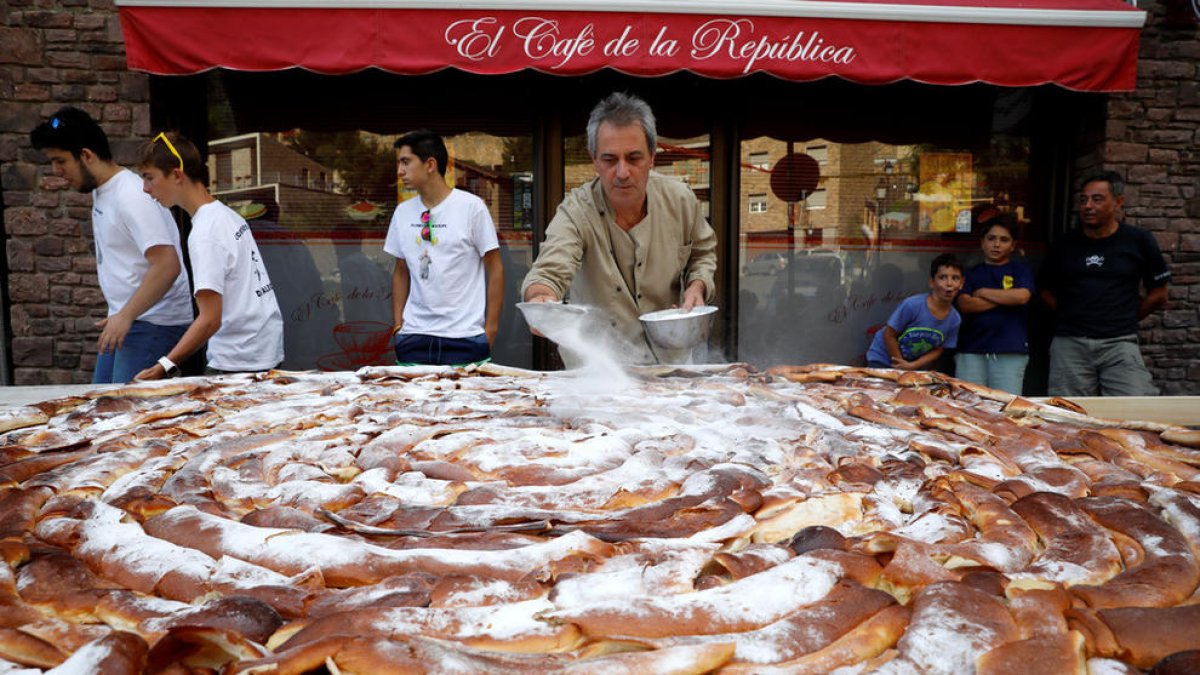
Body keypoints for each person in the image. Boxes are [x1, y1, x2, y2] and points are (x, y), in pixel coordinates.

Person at [521, 92, 718, 365]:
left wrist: (697, 287)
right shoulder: (576, 210)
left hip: (671, 366)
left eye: (634, 158)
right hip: (598, 374)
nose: (622, 172)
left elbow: (703, 253)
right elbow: (551, 267)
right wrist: (541, 299)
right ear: (594, 160)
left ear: (652, 156)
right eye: (610, 160)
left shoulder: (681, 200)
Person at [29, 107, 193, 383]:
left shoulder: (130, 196)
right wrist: (121, 315)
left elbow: (167, 264)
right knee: (99, 408)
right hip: (130, 320)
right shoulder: (103, 191)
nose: (56, 171)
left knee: (120, 418)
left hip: (155, 323)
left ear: (86, 155)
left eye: (60, 161)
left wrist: (125, 315)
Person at [133, 132, 284, 379]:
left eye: (150, 178)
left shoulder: (205, 233)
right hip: (262, 352)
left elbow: (209, 320)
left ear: (176, 175)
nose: (145, 188)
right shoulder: (226, 215)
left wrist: (164, 366)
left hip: (237, 363)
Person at [1038, 171, 1170, 396]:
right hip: (1070, 343)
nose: (1088, 206)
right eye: (1083, 200)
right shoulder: (1064, 244)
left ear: (1118, 202)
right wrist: (1067, 315)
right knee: (1070, 417)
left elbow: (1159, 293)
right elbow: (1043, 289)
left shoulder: (1138, 240)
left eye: (1097, 199)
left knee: (1135, 408)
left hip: (1120, 342)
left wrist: (1128, 316)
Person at [384, 129, 503, 366]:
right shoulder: (403, 212)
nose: (400, 171)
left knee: (466, 404)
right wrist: (399, 327)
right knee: (412, 403)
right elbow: (400, 270)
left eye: (406, 162)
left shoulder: (471, 207)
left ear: (430, 164)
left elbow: (496, 268)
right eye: (399, 163)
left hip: (465, 338)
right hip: (414, 339)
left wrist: (489, 332)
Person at [954, 215, 1034, 394]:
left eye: (1004, 240)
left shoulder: (1020, 270)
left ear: (1013, 245)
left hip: (1009, 350)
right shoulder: (971, 273)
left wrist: (982, 293)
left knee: (1005, 410)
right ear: (982, 243)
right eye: (991, 239)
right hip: (971, 351)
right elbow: (965, 304)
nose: (996, 244)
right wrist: (1006, 299)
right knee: (968, 408)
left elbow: (1021, 297)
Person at [866, 253, 964, 370]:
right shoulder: (912, 305)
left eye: (955, 278)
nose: (949, 284)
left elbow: (939, 349)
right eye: (942, 277)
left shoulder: (954, 319)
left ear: (962, 283)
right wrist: (900, 365)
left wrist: (912, 366)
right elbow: (889, 334)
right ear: (931, 282)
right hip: (882, 358)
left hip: (910, 365)